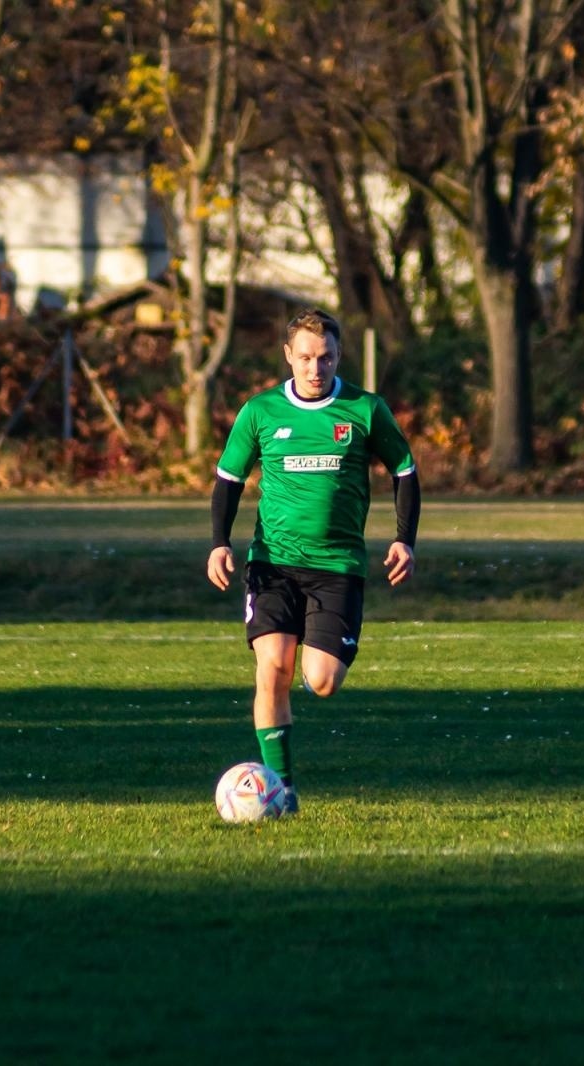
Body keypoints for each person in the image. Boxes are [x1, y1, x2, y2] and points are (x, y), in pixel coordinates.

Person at [207, 309, 420, 813]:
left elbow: (405, 471)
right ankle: (281, 788)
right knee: (272, 669)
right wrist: (219, 542)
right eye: (305, 357)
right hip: (273, 564)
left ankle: (315, 650)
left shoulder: (364, 410)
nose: (314, 367)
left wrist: (404, 539)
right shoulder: (260, 412)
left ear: (339, 356)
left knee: (322, 681)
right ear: (288, 356)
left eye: (324, 357)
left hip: (338, 566)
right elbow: (228, 482)